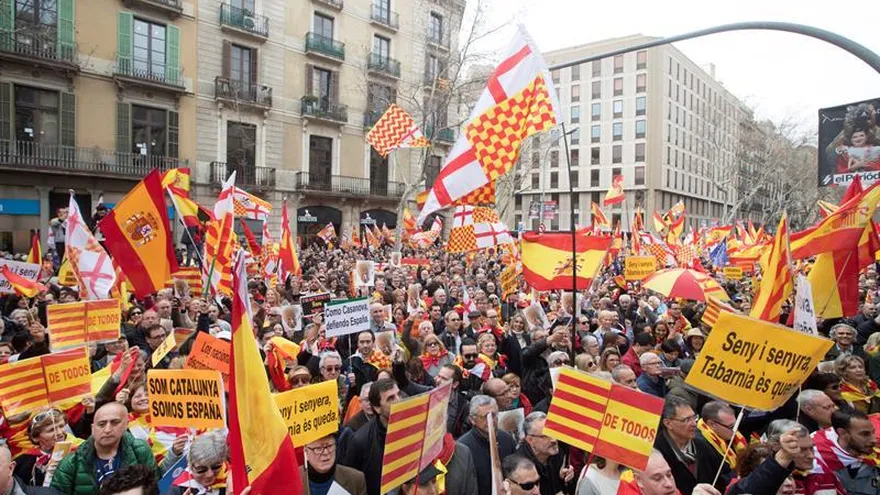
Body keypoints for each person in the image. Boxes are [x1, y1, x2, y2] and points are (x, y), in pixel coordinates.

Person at [51, 402, 158, 495]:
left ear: (126, 425)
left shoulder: (140, 450)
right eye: (101, 424)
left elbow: (155, 487)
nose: (107, 430)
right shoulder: (71, 464)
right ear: (93, 429)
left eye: (115, 423)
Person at [653, 397, 730, 494]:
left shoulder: (701, 444)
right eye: (686, 420)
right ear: (668, 423)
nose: (694, 424)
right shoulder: (655, 453)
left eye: (694, 417)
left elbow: (725, 474)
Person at [339, 378, 400, 495]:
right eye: (390, 398)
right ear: (377, 408)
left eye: (398, 394)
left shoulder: (411, 425)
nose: (398, 401)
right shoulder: (360, 440)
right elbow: (350, 483)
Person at [458, 396, 516, 495]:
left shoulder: (506, 438)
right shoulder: (463, 447)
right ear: (472, 420)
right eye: (485, 417)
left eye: (493, 415)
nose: (491, 420)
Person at [813, 409, 880, 494]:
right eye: (865, 434)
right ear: (842, 432)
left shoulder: (876, 454)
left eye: (873, 432)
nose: (874, 440)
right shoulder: (816, 456)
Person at [509, 412, 572, 495]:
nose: (553, 440)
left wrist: (564, 478)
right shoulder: (521, 467)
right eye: (545, 436)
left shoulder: (558, 453)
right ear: (530, 440)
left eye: (553, 433)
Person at [300, 435, 366, 495]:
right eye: (318, 448)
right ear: (306, 452)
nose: (326, 452)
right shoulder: (293, 479)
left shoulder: (356, 479)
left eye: (329, 446)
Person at [170, 430, 227, 495]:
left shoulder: (231, 480)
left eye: (216, 467)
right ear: (190, 465)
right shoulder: (179, 488)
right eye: (201, 470)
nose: (209, 474)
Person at [695, 401, 746, 471]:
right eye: (731, 426)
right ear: (712, 424)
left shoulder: (732, 435)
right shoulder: (702, 446)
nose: (735, 430)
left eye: (735, 425)